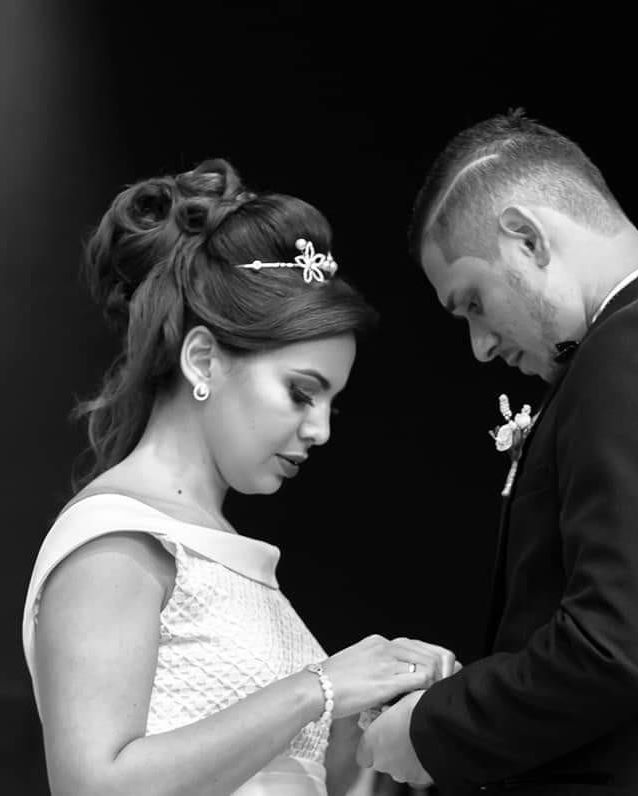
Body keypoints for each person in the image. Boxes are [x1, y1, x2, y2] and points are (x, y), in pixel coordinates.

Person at [357, 111, 638, 794]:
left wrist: (430, 730)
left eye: (472, 303)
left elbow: (615, 648)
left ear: (527, 238)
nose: (480, 346)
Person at [21, 159, 457, 796]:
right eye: (301, 392)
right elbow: (93, 787)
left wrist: (379, 709)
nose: (321, 430)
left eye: (332, 403)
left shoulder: (216, 546)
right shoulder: (117, 541)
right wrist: (317, 689)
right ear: (203, 359)